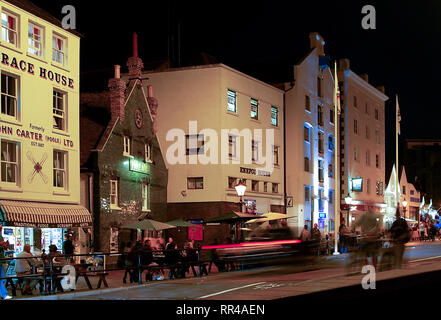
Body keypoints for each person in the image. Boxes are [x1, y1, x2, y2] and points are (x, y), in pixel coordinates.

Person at [0, 225, 12, 299]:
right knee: (1, 278)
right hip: (1, 259)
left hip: (1, 260)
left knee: (2, 277)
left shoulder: (1, 237)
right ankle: (4, 294)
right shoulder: (1, 237)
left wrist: (4, 246)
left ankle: (3, 294)